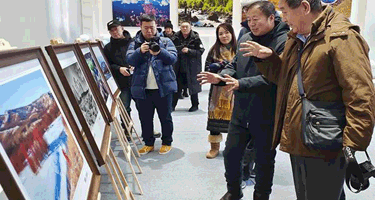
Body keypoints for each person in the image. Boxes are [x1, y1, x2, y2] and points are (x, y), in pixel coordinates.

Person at [240, 0, 375, 199]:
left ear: (304, 7)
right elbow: (288, 80)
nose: (282, 18)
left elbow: (360, 94)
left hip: (325, 142)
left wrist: (352, 145)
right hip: (301, 136)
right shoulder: (298, 37)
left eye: (285, 12)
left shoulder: (341, 37)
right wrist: (268, 59)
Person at [198, 1, 289, 199]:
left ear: (271, 18)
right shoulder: (246, 37)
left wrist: (241, 84)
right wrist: (222, 77)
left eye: (256, 20)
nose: (252, 24)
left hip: (266, 112)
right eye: (248, 20)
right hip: (240, 111)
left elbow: (276, 78)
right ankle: (234, 192)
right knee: (231, 155)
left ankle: (261, 195)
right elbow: (234, 64)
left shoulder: (284, 41)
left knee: (264, 161)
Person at [126, 14, 178, 155]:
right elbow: (130, 59)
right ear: (140, 28)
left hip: (163, 87)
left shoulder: (166, 41)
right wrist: (140, 51)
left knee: (165, 116)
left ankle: (167, 142)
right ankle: (148, 143)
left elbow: (173, 58)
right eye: (146, 28)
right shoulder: (135, 43)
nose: (149, 31)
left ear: (156, 26)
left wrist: (160, 51)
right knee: (145, 117)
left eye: (151, 27)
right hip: (143, 89)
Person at [204, 23, 237, 159]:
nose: (224, 36)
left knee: (235, 122)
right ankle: (214, 148)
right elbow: (206, 68)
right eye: (221, 33)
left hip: (235, 90)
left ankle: (233, 148)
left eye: (227, 32)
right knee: (215, 119)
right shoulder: (214, 50)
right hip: (217, 91)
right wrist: (215, 68)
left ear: (232, 33)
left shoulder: (239, 49)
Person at [172, 21, 205, 112]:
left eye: (186, 27)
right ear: (180, 28)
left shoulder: (196, 38)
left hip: (192, 67)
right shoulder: (175, 38)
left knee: (193, 88)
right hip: (178, 67)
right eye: (183, 27)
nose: (185, 28)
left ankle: (195, 105)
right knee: (176, 88)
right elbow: (171, 50)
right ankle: (172, 106)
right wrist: (180, 50)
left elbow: (200, 51)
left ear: (190, 27)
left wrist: (189, 51)